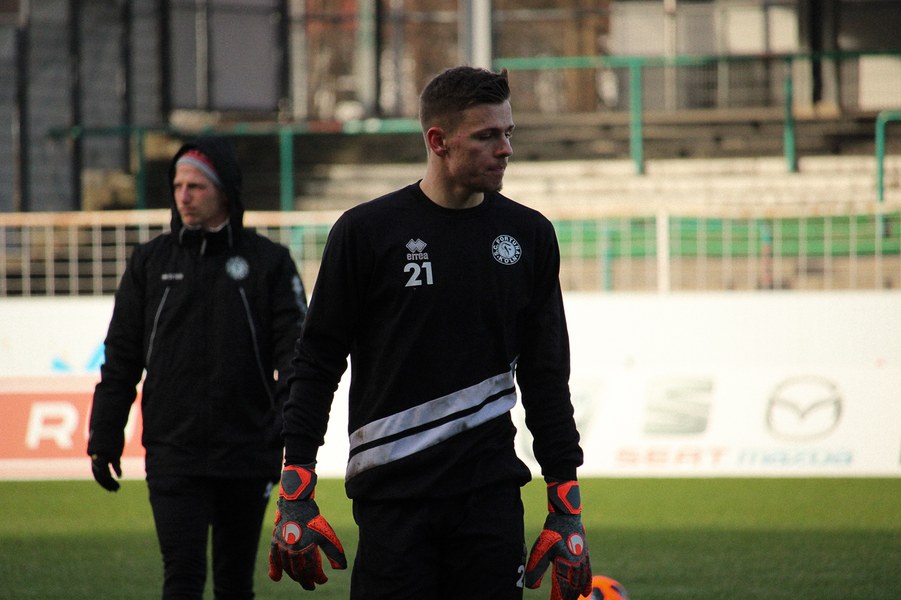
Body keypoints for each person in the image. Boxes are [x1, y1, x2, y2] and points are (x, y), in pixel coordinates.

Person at [268, 66, 592, 600]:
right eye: (487, 136)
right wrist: (296, 488)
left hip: (489, 500)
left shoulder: (529, 235)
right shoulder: (366, 232)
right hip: (393, 500)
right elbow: (317, 362)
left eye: (509, 133)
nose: (505, 149)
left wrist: (565, 504)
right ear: (438, 141)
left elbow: (546, 376)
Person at [87, 136, 308, 600]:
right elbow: (121, 357)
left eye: (196, 186)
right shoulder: (150, 262)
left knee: (234, 585)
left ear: (224, 191)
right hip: (173, 451)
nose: (183, 196)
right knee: (182, 578)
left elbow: (294, 357)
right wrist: (104, 436)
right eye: (177, 186)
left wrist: (288, 431)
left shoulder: (268, 262)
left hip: (246, 451)